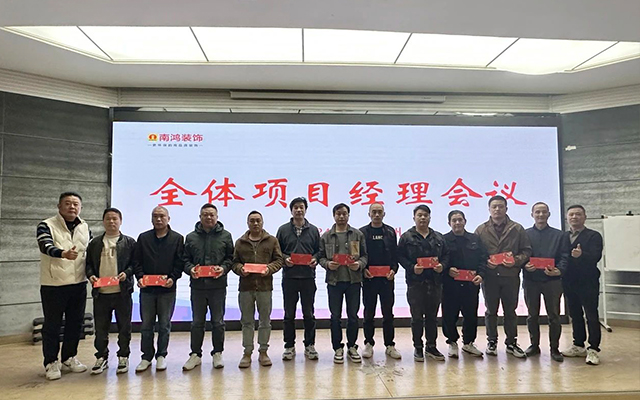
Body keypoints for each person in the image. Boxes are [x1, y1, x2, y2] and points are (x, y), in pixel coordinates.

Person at [37, 192, 91, 380]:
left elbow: (90, 251)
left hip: (79, 283)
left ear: (80, 207)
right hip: (54, 284)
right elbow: (45, 245)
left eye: (76, 204)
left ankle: (69, 358)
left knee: (75, 323)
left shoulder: (84, 227)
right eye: (67, 203)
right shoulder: (46, 225)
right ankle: (51, 362)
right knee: (52, 325)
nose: (72, 207)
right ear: (59, 206)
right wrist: (62, 253)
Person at [475, 195, 532, 358]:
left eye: (500, 206)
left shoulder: (517, 228)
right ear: (489, 209)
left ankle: (511, 342)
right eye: (494, 206)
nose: (497, 209)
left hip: (510, 276)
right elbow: (476, 253)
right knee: (491, 311)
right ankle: (491, 341)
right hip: (490, 277)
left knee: (510, 311)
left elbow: (526, 250)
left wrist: (515, 261)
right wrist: (486, 263)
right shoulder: (481, 230)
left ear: (506, 208)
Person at [182, 204, 234, 370]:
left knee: (218, 322)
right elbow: (185, 260)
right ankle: (195, 354)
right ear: (200, 217)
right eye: (205, 214)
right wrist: (191, 269)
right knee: (197, 322)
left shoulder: (226, 236)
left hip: (218, 286)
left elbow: (230, 258)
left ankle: (217, 353)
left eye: (212, 215)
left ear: (217, 217)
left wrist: (223, 269)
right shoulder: (191, 237)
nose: (209, 217)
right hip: (198, 287)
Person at [133, 206, 184, 372]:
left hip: (167, 290)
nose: (159, 219)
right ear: (151, 219)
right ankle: (146, 357)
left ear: (168, 219)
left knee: (164, 325)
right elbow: (137, 261)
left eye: (162, 216)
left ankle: (161, 355)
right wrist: (140, 277)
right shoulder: (143, 238)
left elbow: (179, 263)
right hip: (147, 290)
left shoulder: (177, 238)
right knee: (146, 325)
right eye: (155, 216)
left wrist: (173, 278)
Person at [86, 207, 136, 374]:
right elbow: (88, 265)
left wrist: (126, 273)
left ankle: (123, 356)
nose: (111, 221)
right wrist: (91, 276)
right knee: (101, 329)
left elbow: (135, 264)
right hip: (101, 293)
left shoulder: (129, 242)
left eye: (115, 218)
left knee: (124, 328)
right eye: (108, 218)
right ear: (103, 221)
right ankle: (101, 357)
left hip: (122, 292)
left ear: (120, 221)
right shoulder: (95, 243)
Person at [232, 211, 283, 368]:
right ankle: (247, 353)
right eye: (252, 221)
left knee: (265, 321)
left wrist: (269, 269)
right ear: (247, 223)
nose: (255, 223)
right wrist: (240, 269)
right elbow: (234, 262)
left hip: (264, 287)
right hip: (245, 288)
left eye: (258, 221)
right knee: (247, 321)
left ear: (262, 222)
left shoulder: (271, 240)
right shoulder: (240, 242)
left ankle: (263, 351)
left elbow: (279, 260)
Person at [398, 205, 449, 362]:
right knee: (417, 317)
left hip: (435, 283)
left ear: (429, 218)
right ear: (414, 218)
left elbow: (446, 255)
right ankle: (418, 347)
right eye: (419, 215)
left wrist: (442, 266)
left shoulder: (438, 237)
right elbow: (400, 256)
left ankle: (431, 346)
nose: (422, 218)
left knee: (432, 317)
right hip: (415, 283)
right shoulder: (406, 237)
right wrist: (412, 267)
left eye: (425, 215)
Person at [318, 203, 368, 364]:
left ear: (348, 215)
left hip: (353, 281)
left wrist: (359, 264)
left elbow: (365, 256)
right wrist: (327, 264)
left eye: (344, 213)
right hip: (334, 282)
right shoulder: (326, 236)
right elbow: (320, 257)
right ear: (334, 216)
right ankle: (337, 348)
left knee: (353, 316)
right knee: (335, 317)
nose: (341, 216)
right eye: (338, 214)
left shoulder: (357, 234)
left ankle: (352, 346)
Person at [276, 197, 321, 361]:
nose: (299, 210)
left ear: (305, 210)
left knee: (309, 313)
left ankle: (310, 345)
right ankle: (289, 346)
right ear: (291, 210)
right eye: (295, 207)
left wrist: (315, 259)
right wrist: (285, 259)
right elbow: (277, 251)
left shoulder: (314, 230)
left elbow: (319, 251)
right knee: (289, 314)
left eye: (301, 207)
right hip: (290, 277)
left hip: (308, 277)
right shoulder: (283, 230)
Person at [523, 202, 568, 362]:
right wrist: (524, 265)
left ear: (549, 214)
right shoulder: (525, 234)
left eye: (544, 212)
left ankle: (554, 348)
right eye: (537, 212)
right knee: (532, 315)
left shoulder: (560, 235)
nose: (541, 215)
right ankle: (534, 345)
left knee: (554, 315)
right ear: (532, 214)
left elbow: (565, 256)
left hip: (552, 281)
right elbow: (521, 255)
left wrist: (559, 270)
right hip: (531, 280)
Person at [561, 205, 604, 365]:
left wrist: (581, 254)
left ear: (585, 217)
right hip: (569, 281)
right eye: (571, 214)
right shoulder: (563, 236)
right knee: (575, 314)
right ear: (567, 218)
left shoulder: (593, 236)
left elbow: (596, 256)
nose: (574, 217)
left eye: (578, 214)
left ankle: (593, 349)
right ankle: (578, 345)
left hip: (588, 282)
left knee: (591, 315)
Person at [442, 210, 487, 358]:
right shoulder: (443, 240)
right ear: (449, 223)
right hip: (450, 286)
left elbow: (483, 259)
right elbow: (441, 261)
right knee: (449, 315)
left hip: (470, 285)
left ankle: (468, 343)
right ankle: (452, 342)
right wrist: (447, 270)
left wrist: (481, 275)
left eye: (460, 220)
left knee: (471, 315)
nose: (457, 223)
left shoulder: (474, 239)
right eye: (454, 220)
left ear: (465, 221)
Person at [359, 202, 401, 360]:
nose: (377, 214)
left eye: (379, 212)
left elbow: (395, 256)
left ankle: (390, 345)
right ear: (369, 214)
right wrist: (363, 270)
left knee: (388, 313)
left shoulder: (390, 232)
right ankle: (368, 343)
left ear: (384, 214)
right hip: (369, 279)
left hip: (386, 280)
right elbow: (360, 255)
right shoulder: (362, 232)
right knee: (368, 313)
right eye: (374, 212)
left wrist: (393, 270)